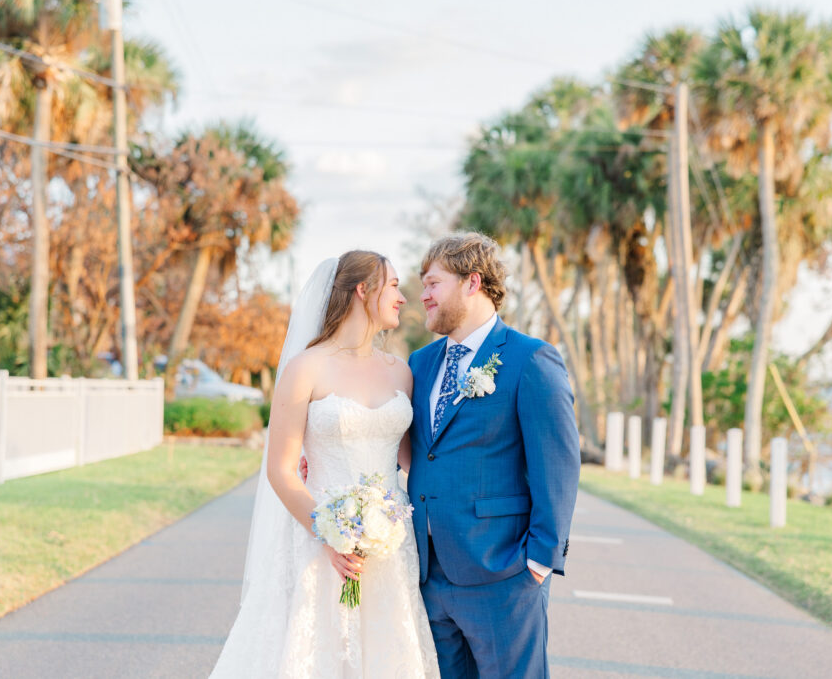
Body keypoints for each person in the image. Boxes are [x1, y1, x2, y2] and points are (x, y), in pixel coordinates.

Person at [209, 251, 439, 678]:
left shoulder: (401, 372)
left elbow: (412, 459)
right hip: (318, 543)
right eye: (393, 285)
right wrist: (327, 532)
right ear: (362, 290)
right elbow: (280, 469)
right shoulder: (305, 369)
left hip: (389, 546)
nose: (403, 297)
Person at [407, 232, 581, 678]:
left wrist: (539, 562)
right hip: (430, 576)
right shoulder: (419, 364)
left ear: (472, 282)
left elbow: (558, 464)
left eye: (432, 283)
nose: (422, 295)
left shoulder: (531, 360)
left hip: (503, 574)